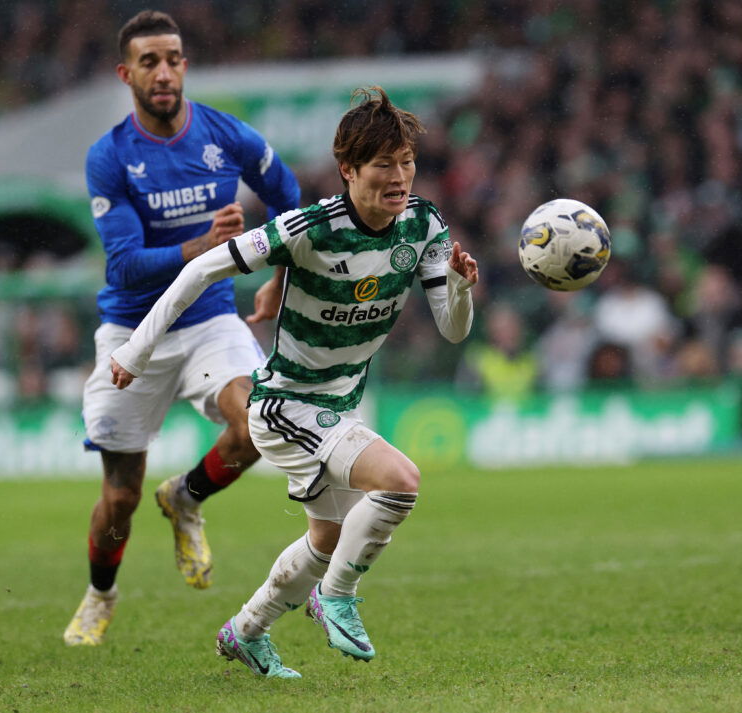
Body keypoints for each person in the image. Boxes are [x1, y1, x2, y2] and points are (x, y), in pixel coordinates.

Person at [111, 87, 478, 678]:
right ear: (348, 169)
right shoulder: (309, 228)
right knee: (400, 482)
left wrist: (459, 288)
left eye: (407, 162)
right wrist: (136, 348)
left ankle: (245, 632)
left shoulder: (424, 224)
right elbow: (203, 268)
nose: (399, 177)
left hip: (339, 404)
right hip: (285, 405)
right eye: (383, 164)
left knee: (328, 539)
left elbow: (454, 330)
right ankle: (336, 598)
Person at [63, 10, 300, 646]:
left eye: (172, 59)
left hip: (208, 319)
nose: (163, 72)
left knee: (258, 422)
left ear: (185, 66)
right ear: (126, 74)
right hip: (132, 330)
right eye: (149, 62)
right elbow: (124, 264)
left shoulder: (227, 135)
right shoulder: (110, 156)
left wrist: (277, 275)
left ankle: (187, 498)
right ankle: (100, 594)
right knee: (120, 497)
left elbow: (289, 199)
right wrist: (203, 245)